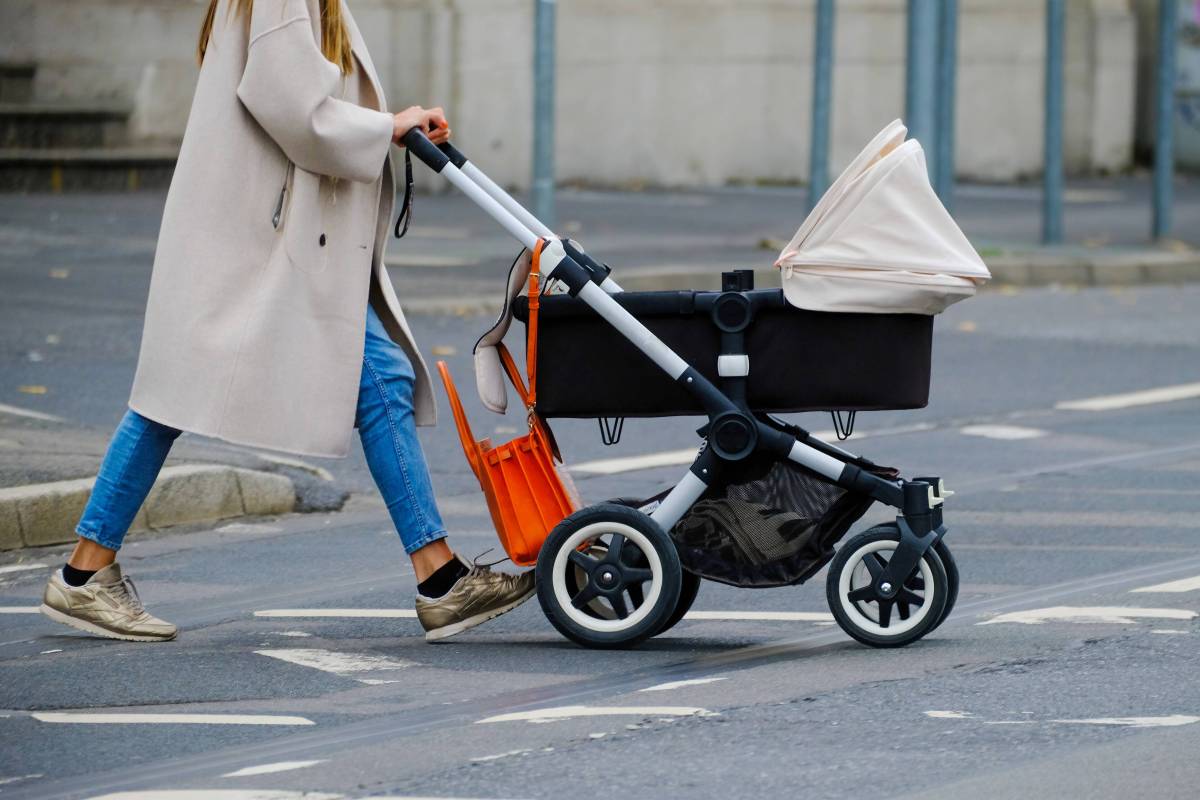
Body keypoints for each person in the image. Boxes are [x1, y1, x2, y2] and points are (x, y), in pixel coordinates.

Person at [38, 0, 534, 643]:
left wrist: (384, 125)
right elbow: (297, 111)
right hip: (266, 239)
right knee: (171, 396)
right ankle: (84, 574)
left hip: (272, 237)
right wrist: (388, 124)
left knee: (367, 376)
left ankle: (439, 577)